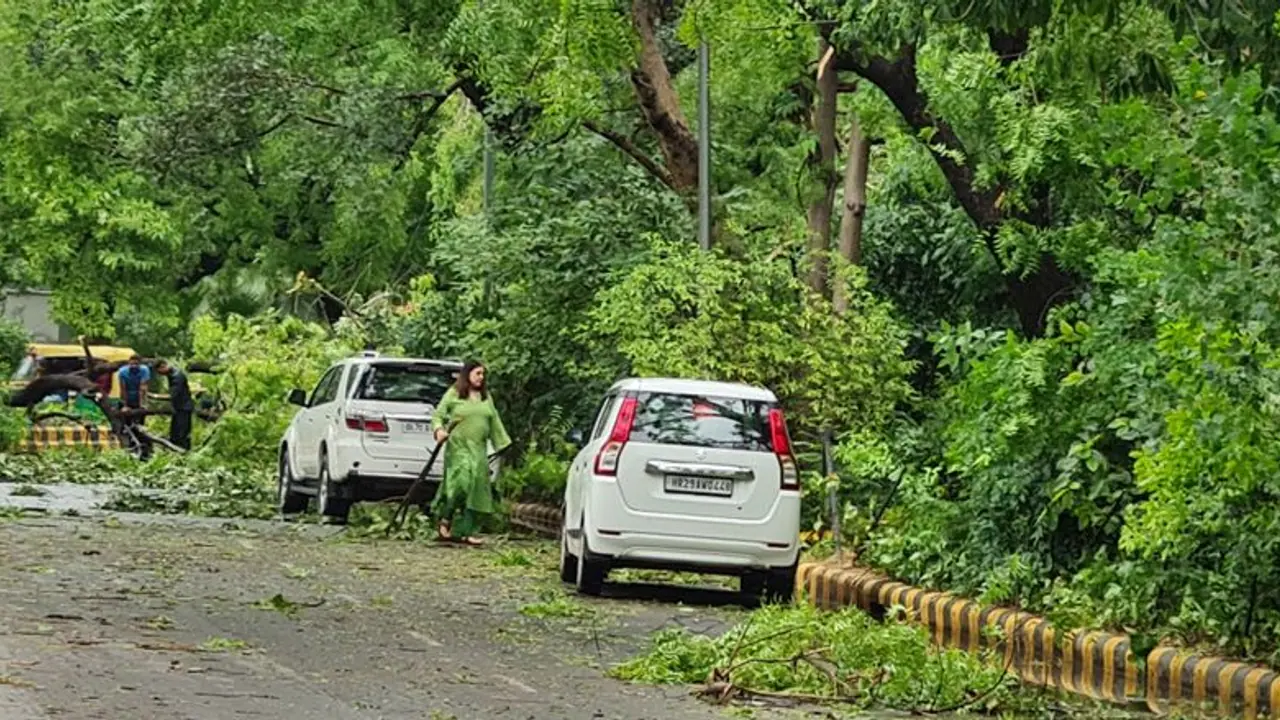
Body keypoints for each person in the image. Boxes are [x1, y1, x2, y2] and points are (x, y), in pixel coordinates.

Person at [430, 360, 511, 546]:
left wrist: (502, 443)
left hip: (479, 449)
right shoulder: (454, 393)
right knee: (461, 484)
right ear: (467, 375)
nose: (481, 378)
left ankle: (466, 531)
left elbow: (494, 420)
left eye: (483, 374)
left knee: (476, 488)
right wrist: (439, 430)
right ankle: (445, 519)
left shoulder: (485, 397)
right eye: (478, 373)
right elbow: (438, 415)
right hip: (458, 448)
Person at [154, 359, 193, 450]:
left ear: (163, 366)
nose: (160, 374)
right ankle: (175, 449)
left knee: (182, 432)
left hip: (184, 408)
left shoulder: (177, 376)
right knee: (174, 432)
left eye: (160, 372)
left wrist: (157, 397)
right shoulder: (170, 375)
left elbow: (174, 394)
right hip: (178, 407)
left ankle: (183, 451)